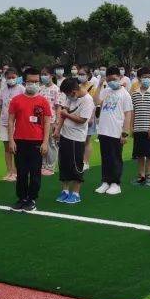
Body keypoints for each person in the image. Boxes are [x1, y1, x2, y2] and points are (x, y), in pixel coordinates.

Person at [7, 68, 52, 212]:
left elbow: (47, 122)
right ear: (24, 82)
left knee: (34, 173)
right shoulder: (16, 100)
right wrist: (11, 141)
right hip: (19, 140)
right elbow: (10, 121)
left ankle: (31, 199)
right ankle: (21, 198)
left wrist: (45, 142)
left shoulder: (43, 101)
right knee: (21, 172)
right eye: (30, 81)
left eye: (36, 82)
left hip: (36, 142)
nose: (33, 84)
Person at [55, 76, 94, 204]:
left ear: (74, 91)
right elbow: (62, 114)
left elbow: (83, 120)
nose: (67, 97)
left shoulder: (87, 100)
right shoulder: (70, 97)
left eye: (68, 94)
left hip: (77, 139)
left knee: (76, 166)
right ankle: (65, 191)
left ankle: (76, 193)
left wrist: (66, 114)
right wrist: (57, 130)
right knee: (64, 165)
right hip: (65, 136)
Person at [95, 67, 133, 195]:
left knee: (115, 158)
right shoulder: (106, 91)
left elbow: (128, 114)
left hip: (116, 132)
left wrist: (125, 133)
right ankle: (106, 181)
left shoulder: (125, 94)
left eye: (114, 79)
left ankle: (115, 183)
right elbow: (96, 101)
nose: (112, 81)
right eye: (109, 79)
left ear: (120, 78)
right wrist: (100, 84)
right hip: (103, 130)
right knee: (105, 157)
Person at [130, 68, 150, 187]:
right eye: (144, 77)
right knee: (140, 154)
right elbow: (132, 111)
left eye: (148, 76)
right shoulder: (135, 93)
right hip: (138, 128)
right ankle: (141, 177)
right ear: (139, 79)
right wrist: (131, 127)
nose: (146, 79)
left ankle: (149, 177)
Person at [0, 67, 22, 182]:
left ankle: (17, 172)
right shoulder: (3, 90)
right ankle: (9, 171)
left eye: (13, 77)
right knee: (7, 148)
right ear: (5, 78)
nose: (11, 79)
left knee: (16, 148)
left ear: (17, 77)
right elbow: (0, 107)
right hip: (4, 122)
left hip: (17, 123)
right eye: (9, 78)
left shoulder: (21, 89)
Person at [38, 67, 62, 176]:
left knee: (52, 143)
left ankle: (50, 166)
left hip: (51, 120)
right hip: (40, 120)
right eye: (42, 74)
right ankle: (43, 164)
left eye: (45, 74)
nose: (43, 76)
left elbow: (58, 106)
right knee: (42, 142)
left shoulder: (56, 89)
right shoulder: (40, 88)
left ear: (51, 75)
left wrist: (57, 122)